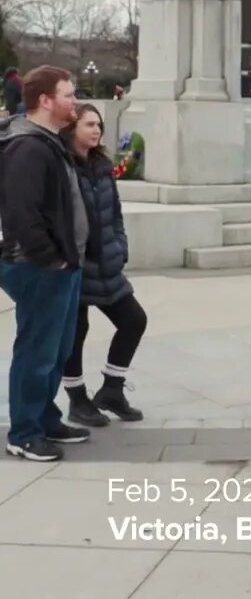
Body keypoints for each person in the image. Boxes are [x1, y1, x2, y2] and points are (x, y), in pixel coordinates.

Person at [0, 65, 91, 461]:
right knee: (37, 352)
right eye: (68, 94)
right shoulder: (29, 147)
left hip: (62, 267)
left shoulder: (50, 141)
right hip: (39, 268)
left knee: (56, 350)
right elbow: (22, 213)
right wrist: (50, 259)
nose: (74, 100)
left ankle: (45, 417)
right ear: (45, 101)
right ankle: (23, 433)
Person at [58, 104, 146, 427]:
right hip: (76, 266)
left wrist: (120, 246)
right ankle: (77, 400)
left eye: (99, 125)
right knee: (75, 334)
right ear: (72, 128)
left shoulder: (104, 165)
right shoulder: (63, 165)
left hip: (107, 263)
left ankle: (112, 389)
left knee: (134, 320)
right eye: (89, 124)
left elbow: (116, 213)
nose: (96, 130)